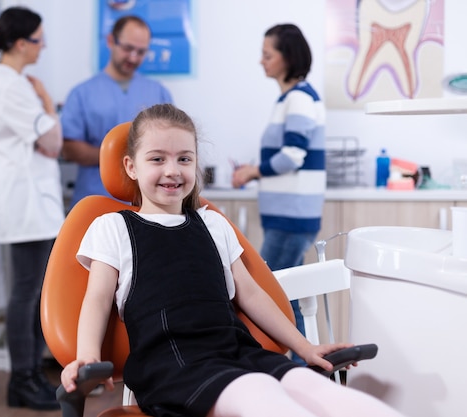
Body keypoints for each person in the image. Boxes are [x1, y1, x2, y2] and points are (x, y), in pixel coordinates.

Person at [60, 104, 404, 417]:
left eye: (184, 159)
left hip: (237, 352)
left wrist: (306, 347)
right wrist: (87, 356)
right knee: (259, 391)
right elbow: (98, 299)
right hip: (172, 365)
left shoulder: (212, 223)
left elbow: (250, 294)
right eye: (157, 159)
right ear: (131, 167)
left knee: (310, 385)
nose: (173, 170)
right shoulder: (113, 227)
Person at [0, 6, 63, 410]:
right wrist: (47, 101)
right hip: (24, 205)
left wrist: (44, 114)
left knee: (32, 292)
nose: (43, 46)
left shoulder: (12, 82)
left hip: (33, 203)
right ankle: (23, 381)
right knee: (26, 293)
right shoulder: (8, 85)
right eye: (38, 39)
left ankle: (29, 378)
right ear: (18, 43)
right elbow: (54, 142)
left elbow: (47, 142)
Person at [232, 23, 326, 363]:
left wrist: (253, 171)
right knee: (288, 295)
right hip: (288, 216)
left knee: (271, 295)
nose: (261, 61)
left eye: (267, 55)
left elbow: (293, 156)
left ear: (287, 58)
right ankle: (307, 367)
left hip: (291, 217)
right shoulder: (290, 99)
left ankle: (300, 368)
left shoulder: (298, 99)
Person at [60, 15, 173, 209]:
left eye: (141, 51)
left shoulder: (158, 92)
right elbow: (69, 148)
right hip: (94, 201)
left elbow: (171, 146)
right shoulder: (82, 93)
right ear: (111, 41)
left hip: (147, 205)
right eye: (128, 48)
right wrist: (116, 155)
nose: (133, 57)